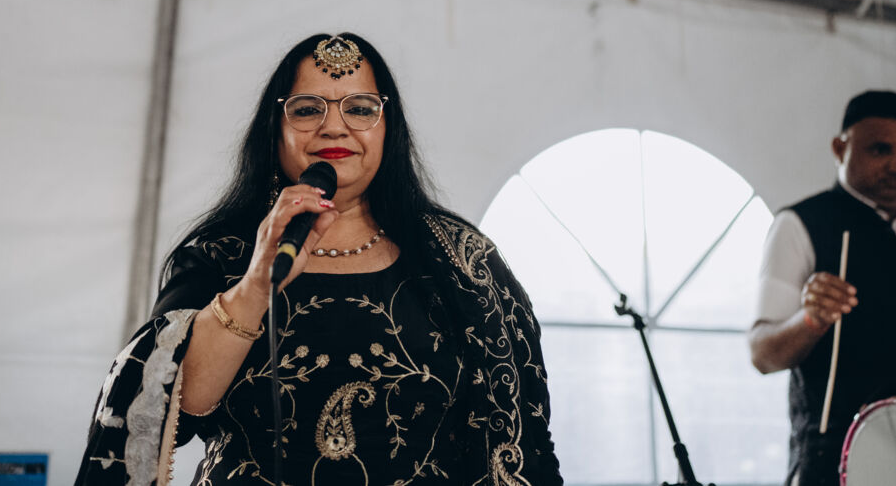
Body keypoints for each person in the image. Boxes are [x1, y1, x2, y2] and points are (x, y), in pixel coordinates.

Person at [75, 33, 562, 486]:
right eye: (307, 109)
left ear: (389, 129)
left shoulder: (462, 261)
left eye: (361, 109)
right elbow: (174, 411)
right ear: (275, 130)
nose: (334, 126)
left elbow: (530, 441)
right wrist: (255, 285)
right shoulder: (220, 255)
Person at [747, 90, 896, 486]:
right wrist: (811, 320)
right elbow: (762, 354)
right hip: (842, 464)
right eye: (880, 150)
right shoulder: (800, 224)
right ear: (840, 149)